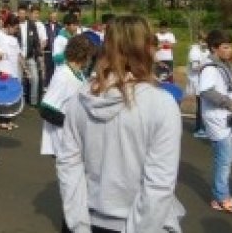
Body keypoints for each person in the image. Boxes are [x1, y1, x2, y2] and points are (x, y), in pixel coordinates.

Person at [56, 15, 185, 233]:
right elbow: (159, 184)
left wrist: (78, 225)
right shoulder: (161, 104)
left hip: (86, 219)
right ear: (146, 49)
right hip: (139, 224)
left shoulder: (80, 97)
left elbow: (68, 166)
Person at [199, 29, 232, 214]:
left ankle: (220, 195)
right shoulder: (211, 68)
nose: (229, 50)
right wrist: (230, 102)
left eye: (230, 46)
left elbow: (224, 89)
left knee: (225, 159)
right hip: (217, 120)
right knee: (224, 161)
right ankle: (221, 198)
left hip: (224, 118)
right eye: (225, 47)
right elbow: (206, 91)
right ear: (214, 48)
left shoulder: (223, 66)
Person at [39, 34, 93, 157]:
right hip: (63, 139)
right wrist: (71, 124)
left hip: (74, 138)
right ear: (84, 55)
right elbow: (46, 109)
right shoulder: (63, 75)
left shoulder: (79, 74)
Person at [17, 5, 43, 108]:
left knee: (35, 78)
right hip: (18, 58)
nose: (22, 15)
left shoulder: (32, 25)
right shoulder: (15, 24)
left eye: (24, 13)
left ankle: (33, 102)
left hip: (30, 56)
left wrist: (39, 56)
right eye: (20, 13)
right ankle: (18, 102)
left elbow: (36, 42)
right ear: (18, 13)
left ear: (26, 14)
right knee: (18, 80)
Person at [186, 31, 208, 138]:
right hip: (197, 81)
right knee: (201, 106)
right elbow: (195, 67)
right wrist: (208, 67)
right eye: (203, 40)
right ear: (199, 40)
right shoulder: (194, 51)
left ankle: (203, 127)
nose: (205, 43)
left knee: (204, 105)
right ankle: (199, 128)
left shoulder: (205, 50)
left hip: (204, 81)